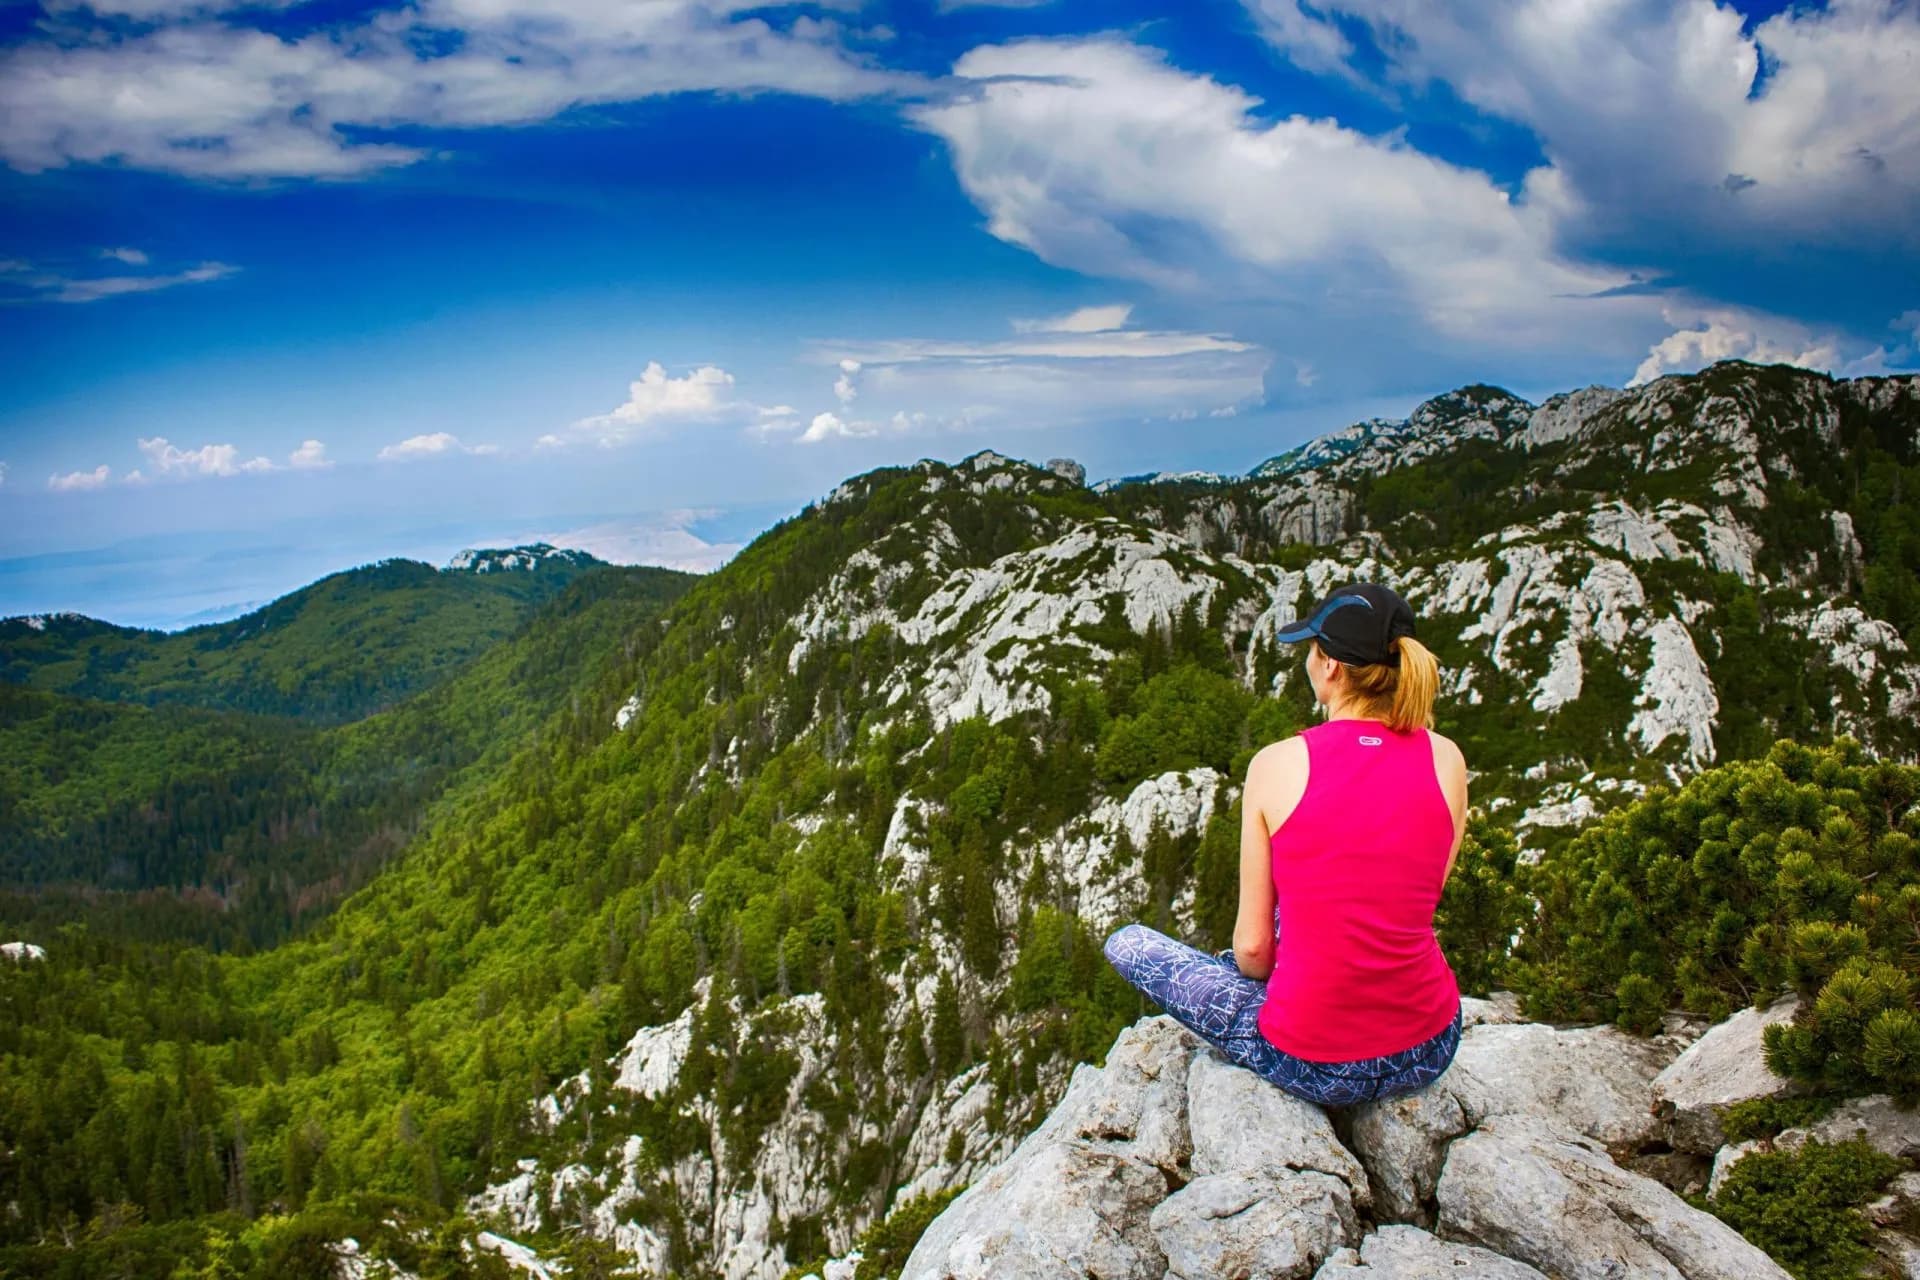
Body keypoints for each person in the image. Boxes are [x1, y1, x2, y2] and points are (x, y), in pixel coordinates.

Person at [1102, 581, 1469, 1107]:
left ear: (1332, 667)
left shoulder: (1275, 764)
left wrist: (1266, 975)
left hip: (1311, 1061)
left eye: (1311, 650)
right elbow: (1418, 894)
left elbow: (1253, 953)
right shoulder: (1447, 758)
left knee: (1129, 943)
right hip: (1430, 1044)